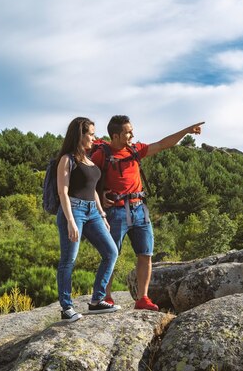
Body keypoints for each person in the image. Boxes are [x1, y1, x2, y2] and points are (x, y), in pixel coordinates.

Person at [91, 115, 204, 310]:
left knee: (146, 254)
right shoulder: (102, 154)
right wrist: (99, 196)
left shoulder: (135, 149)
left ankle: (142, 298)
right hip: (115, 212)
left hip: (140, 209)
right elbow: (86, 179)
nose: (132, 134)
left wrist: (185, 131)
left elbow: (162, 145)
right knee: (110, 255)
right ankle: (105, 297)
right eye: (128, 132)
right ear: (115, 135)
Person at [56, 117, 120, 322]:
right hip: (73, 210)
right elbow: (62, 192)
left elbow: (92, 191)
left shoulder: (89, 159)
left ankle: (96, 301)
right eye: (90, 134)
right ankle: (66, 308)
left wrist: (101, 214)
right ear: (79, 135)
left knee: (111, 252)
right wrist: (70, 221)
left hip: (93, 212)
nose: (94, 137)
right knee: (69, 259)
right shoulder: (67, 159)